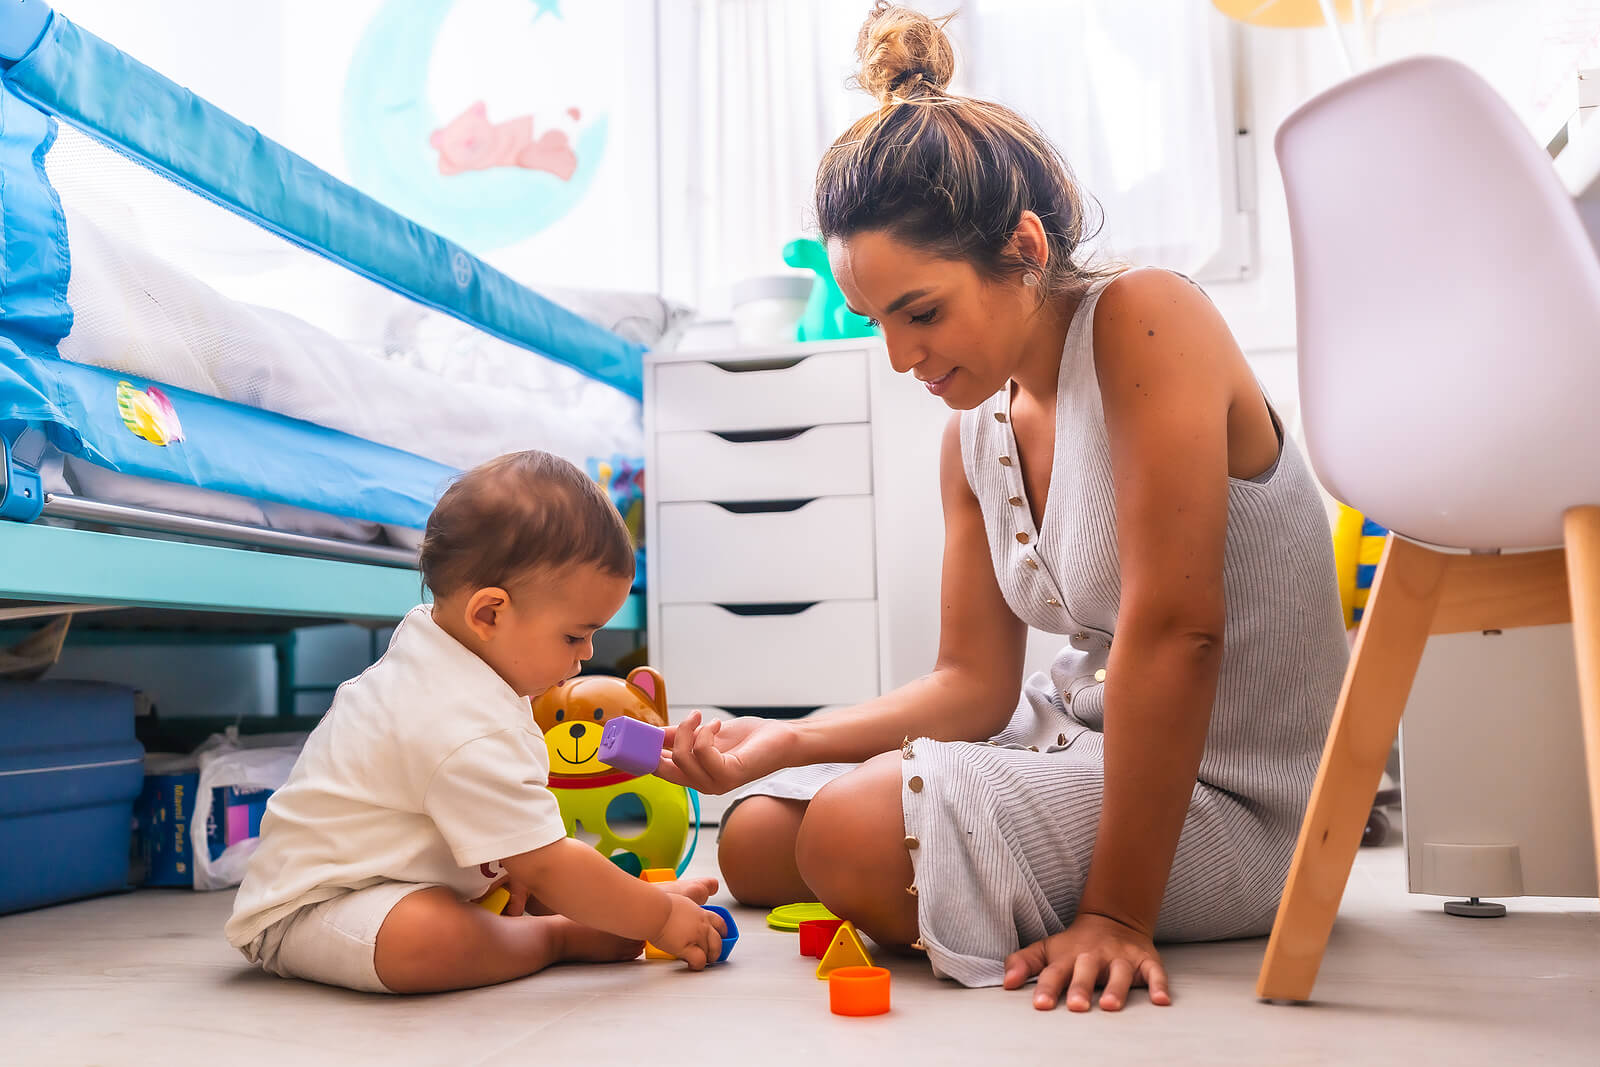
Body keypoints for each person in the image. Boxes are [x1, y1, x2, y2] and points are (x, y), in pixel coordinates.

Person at [660, 2, 1348, 1013]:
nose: (899, 356)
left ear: (1023, 247)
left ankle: (1007, 868)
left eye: (921, 310)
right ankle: (874, 829)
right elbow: (969, 686)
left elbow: (1179, 630)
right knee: (762, 830)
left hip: (1233, 797)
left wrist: (1115, 911)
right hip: (1075, 746)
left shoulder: (1146, 318)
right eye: (874, 320)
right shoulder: (971, 433)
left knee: (848, 834)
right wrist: (785, 737)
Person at [226, 451, 724, 993]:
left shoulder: (446, 651)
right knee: (425, 938)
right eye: (574, 636)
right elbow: (550, 862)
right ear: (488, 614)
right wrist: (659, 918)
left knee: (514, 883)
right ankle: (556, 939)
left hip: (401, 880)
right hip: (316, 908)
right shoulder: (458, 720)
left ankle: (552, 918)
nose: (585, 656)